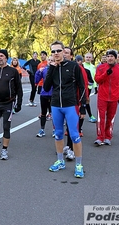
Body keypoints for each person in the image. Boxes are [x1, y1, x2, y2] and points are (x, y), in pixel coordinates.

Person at [44, 41, 86, 178]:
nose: (56, 54)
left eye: (58, 51)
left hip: (71, 105)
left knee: (74, 135)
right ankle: (60, 161)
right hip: (56, 105)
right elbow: (45, 87)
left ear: (63, 51)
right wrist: (51, 68)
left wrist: (83, 107)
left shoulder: (74, 66)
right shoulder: (52, 67)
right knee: (58, 134)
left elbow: (82, 86)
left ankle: (79, 165)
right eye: (53, 51)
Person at [94, 49, 119, 146]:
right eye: (108, 56)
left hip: (114, 97)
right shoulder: (101, 68)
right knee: (101, 117)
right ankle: (100, 137)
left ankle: (108, 136)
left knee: (110, 118)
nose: (109, 58)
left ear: (115, 58)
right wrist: (106, 73)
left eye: (112, 56)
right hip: (102, 97)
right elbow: (97, 80)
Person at [34, 55, 53, 138]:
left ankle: (55, 130)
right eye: (49, 60)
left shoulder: (57, 70)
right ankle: (42, 129)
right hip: (44, 94)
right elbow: (36, 81)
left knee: (54, 113)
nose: (50, 61)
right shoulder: (44, 70)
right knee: (43, 112)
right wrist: (38, 72)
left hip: (54, 94)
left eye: (52, 60)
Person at [83, 52, 98, 122]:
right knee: (84, 101)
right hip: (82, 86)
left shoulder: (93, 67)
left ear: (92, 58)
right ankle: (88, 115)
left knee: (86, 101)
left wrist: (95, 87)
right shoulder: (82, 65)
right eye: (87, 57)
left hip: (89, 87)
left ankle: (90, 116)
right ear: (84, 58)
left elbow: (94, 77)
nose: (88, 58)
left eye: (89, 57)